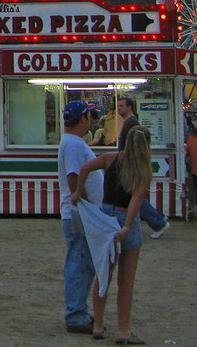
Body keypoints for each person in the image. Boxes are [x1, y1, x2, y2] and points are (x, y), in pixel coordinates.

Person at [71, 127, 153, 344]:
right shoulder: (143, 169)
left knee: (103, 273)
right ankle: (123, 331)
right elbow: (136, 199)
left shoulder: (110, 158)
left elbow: (85, 168)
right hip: (127, 219)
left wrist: (78, 192)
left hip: (106, 217)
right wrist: (127, 226)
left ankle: (98, 325)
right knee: (126, 281)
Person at [58, 100, 104, 334]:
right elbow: (74, 177)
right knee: (80, 263)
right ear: (83, 119)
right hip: (80, 212)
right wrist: (85, 204)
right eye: (89, 117)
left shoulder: (71, 142)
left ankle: (78, 310)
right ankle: (76, 315)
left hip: (78, 211)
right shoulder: (74, 144)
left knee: (81, 262)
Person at [115, 97, 169, 239]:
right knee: (133, 195)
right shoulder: (130, 122)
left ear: (129, 107)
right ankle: (158, 218)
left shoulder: (131, 123)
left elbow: (136, 145)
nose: (119, 108)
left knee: (133, 195)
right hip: (130, 163)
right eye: (118, 105)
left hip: (130, 164)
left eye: (121, 105)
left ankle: (158, 222)